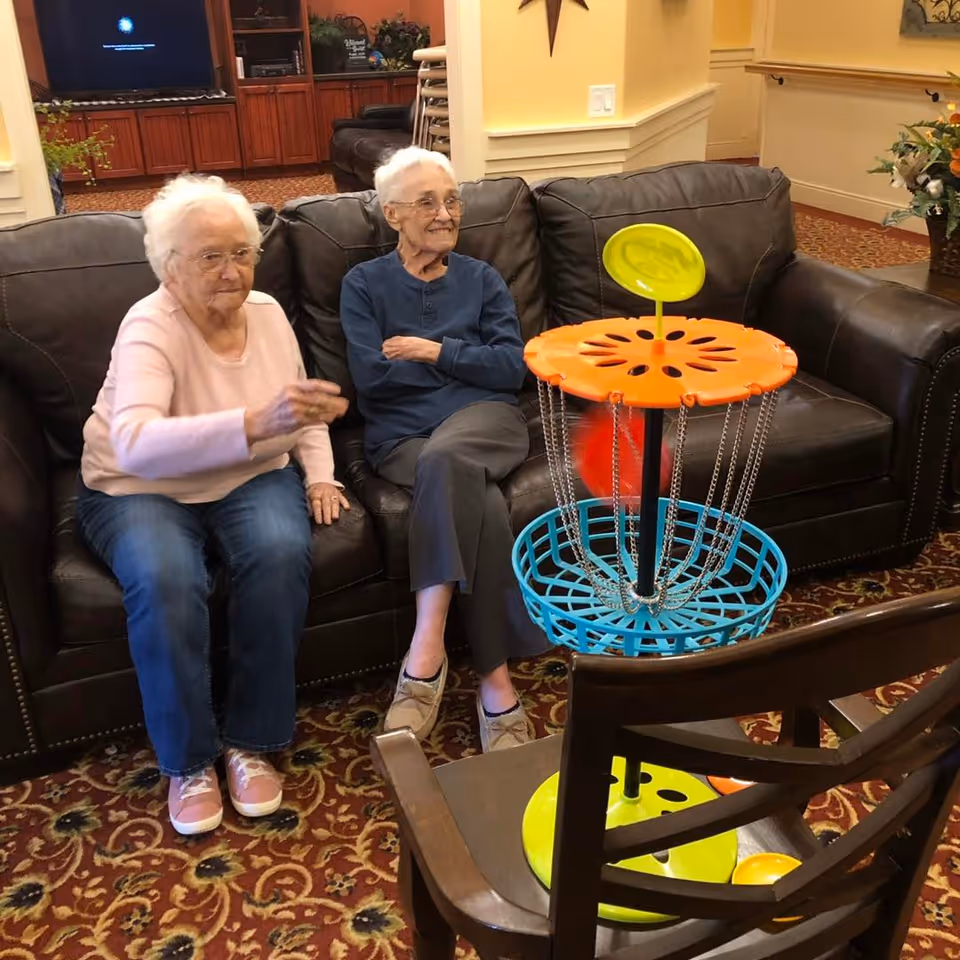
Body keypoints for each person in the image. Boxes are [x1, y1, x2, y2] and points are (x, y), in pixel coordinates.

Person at [77, 174, 350, 835]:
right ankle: (189, 760)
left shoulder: (266, 312)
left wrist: (320, 474)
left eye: (243, 252)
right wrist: (255, 424)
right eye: (210, 256)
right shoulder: (149, 326)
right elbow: (135, 444)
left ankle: (251, 741)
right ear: (169, 267)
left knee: (283, 552)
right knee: (167, 578)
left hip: (248, 475)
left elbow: (300, 407)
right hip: (139, 488)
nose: (233, 272)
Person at [339, 147, 548, 753]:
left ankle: (425, 650)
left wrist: (433, 353)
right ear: (392, 214)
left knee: (450, 455)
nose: (446, 212)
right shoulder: (364, 285)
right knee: (473, 495)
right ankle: (494, 679)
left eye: (452, 199)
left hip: (488, 422)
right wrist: (465, 367)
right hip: (403, 438)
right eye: (427, 202)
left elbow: (512, 371)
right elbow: (372, 380)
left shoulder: (482, 279)